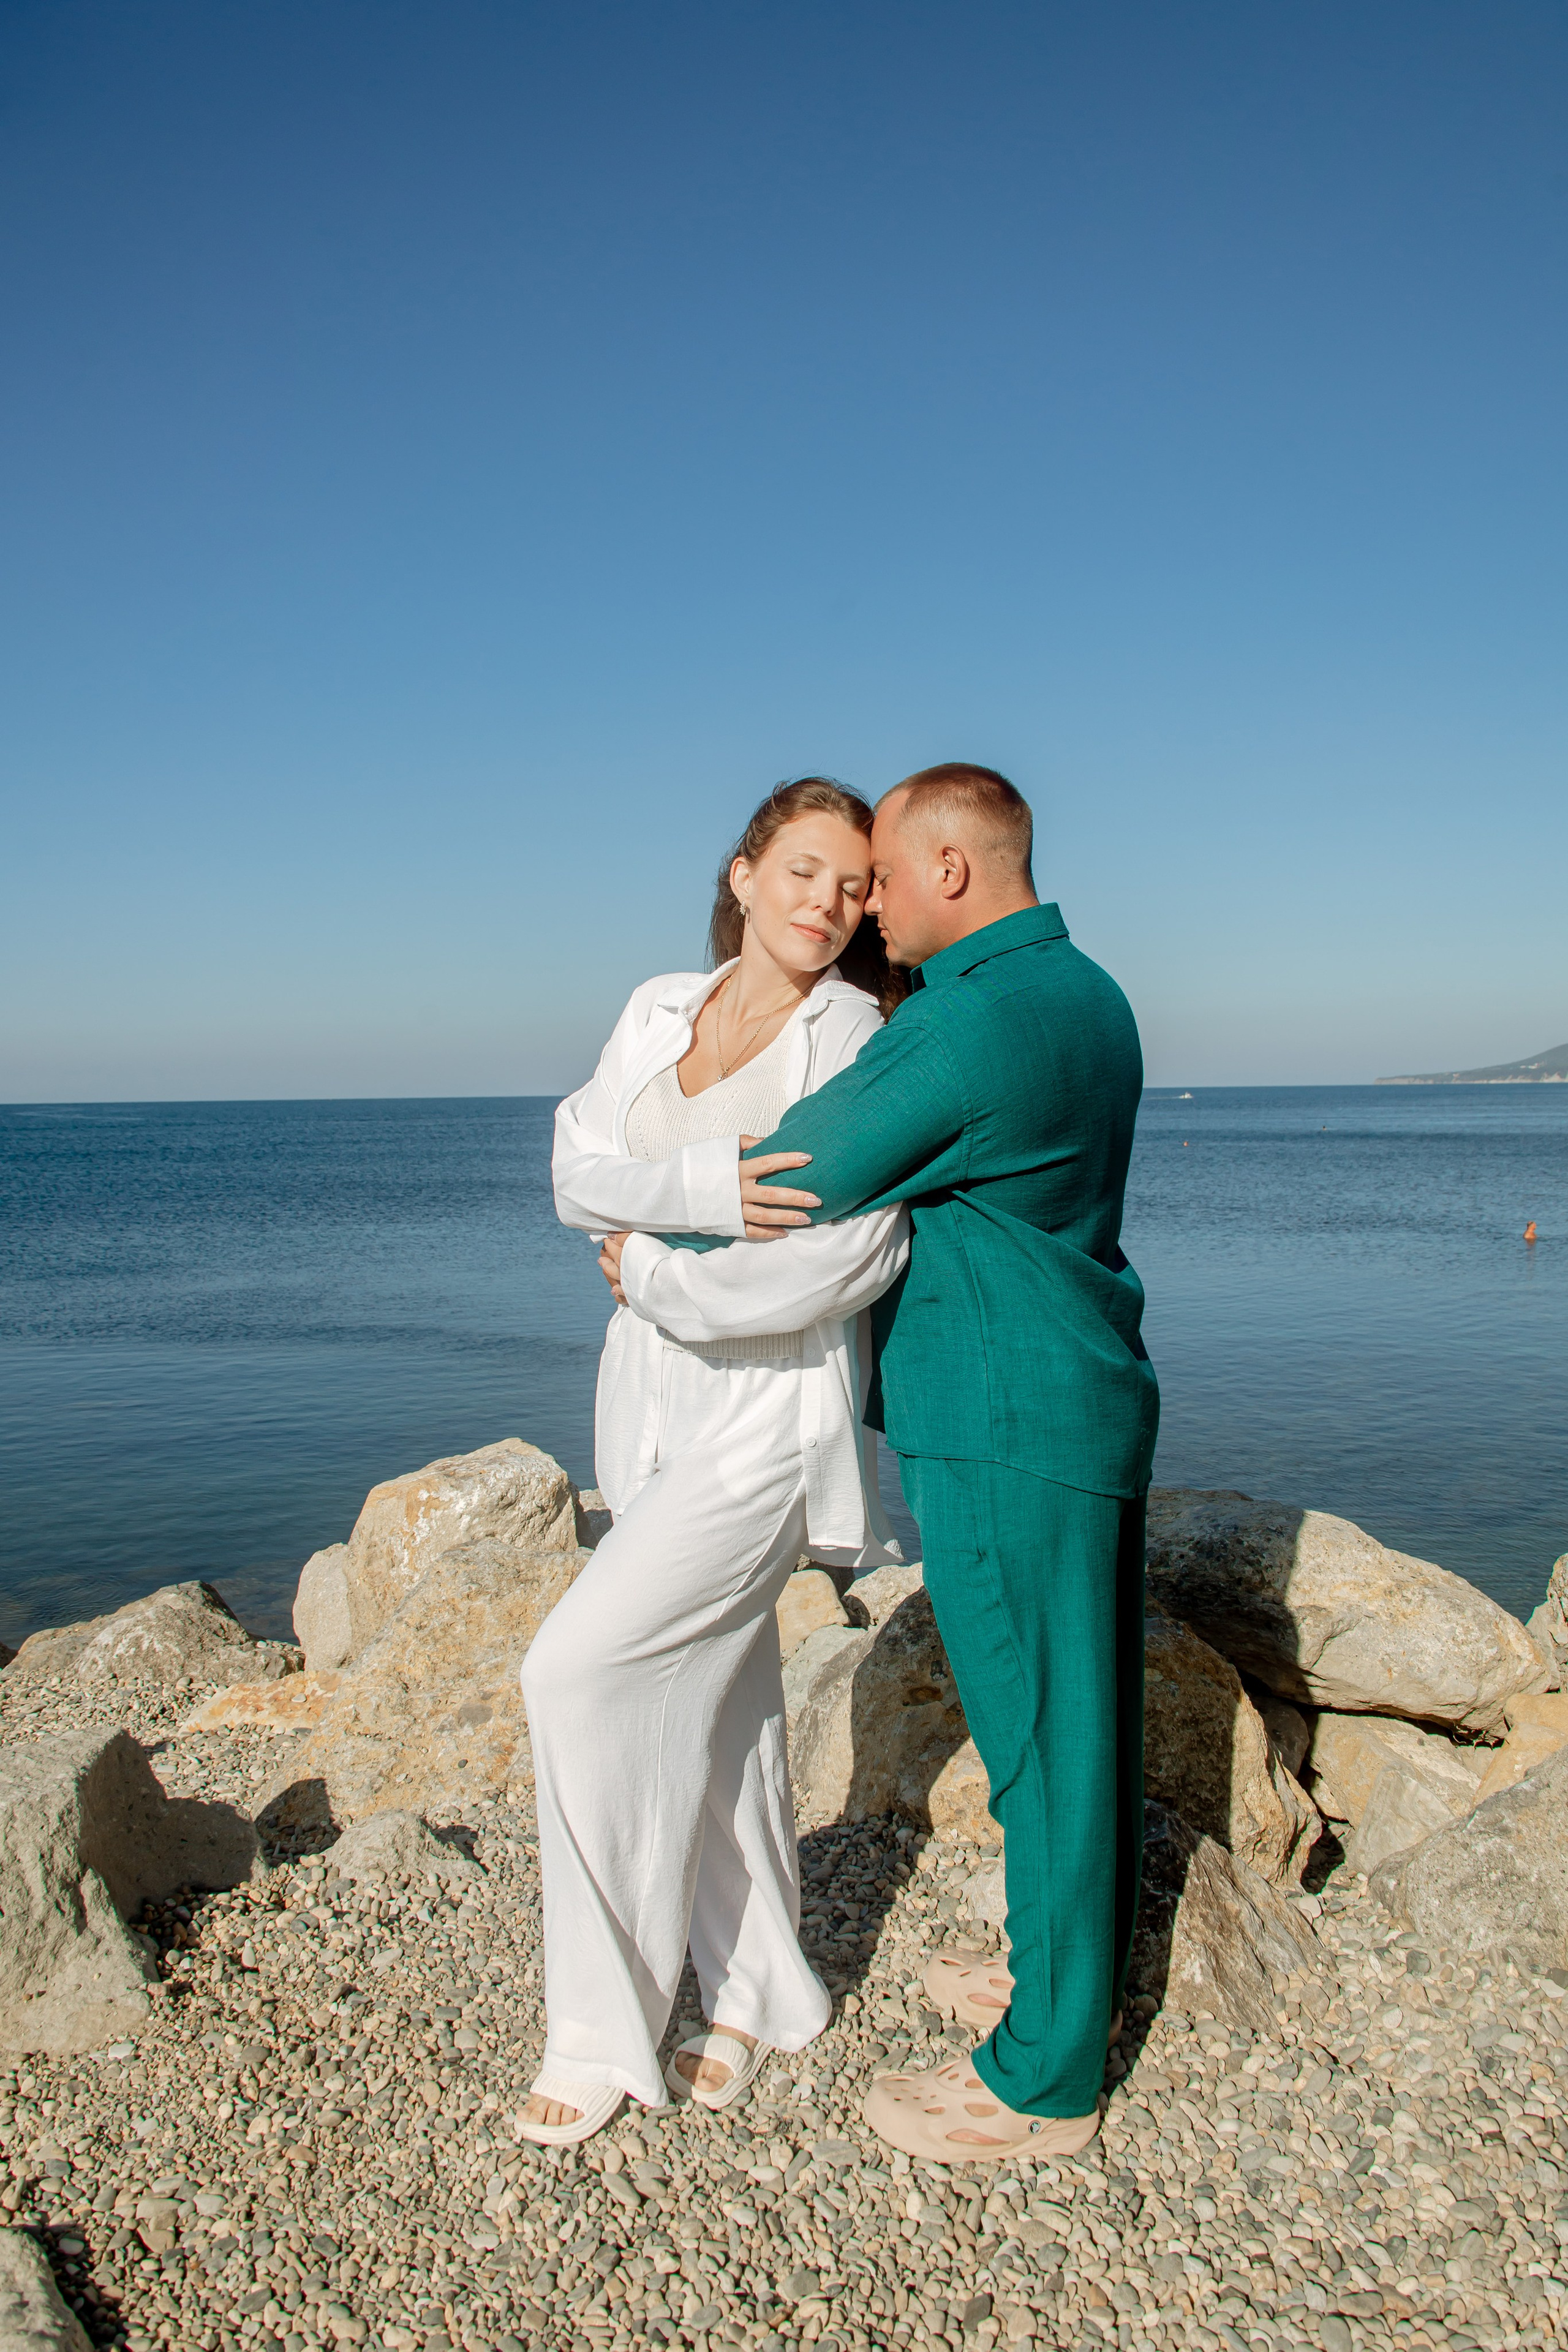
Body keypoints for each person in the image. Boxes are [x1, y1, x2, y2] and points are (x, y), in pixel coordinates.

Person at [658, 763, 1159, 2163]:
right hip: (1075, 1392)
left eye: (877, 876)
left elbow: (793, 1172)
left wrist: (645, 1240)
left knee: (1042, 1747)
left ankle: (1043, 2081)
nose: (864, 905)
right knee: (1075, 1722)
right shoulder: (1088, 993)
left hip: (1001, 1418)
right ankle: (1063, 1975)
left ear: (947, 870)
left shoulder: (966, 1025)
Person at [521, 777, 910, 2145]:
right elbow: (574, 1172)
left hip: (760, 1418)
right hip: (642, 1407)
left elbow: (848, 1254)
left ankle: (597, 2023)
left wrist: (656, 1278)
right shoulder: (654, 1008)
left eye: (855, 885)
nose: (829, 902)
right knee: (734, 1707)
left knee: (568, 1670)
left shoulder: (857, 1035)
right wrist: (695, 1202)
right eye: (803, 871)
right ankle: (759, 1993)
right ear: (743, 875)